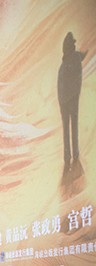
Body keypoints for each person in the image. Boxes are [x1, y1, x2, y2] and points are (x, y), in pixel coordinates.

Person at [58, 32, 86, 174]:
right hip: (69, 100)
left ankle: (70, 156)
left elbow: (64, 85)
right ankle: (72, 155)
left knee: (68, 129)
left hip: (67, 100)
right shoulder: (73, 59)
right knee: (71, 128)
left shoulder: (68, 62)